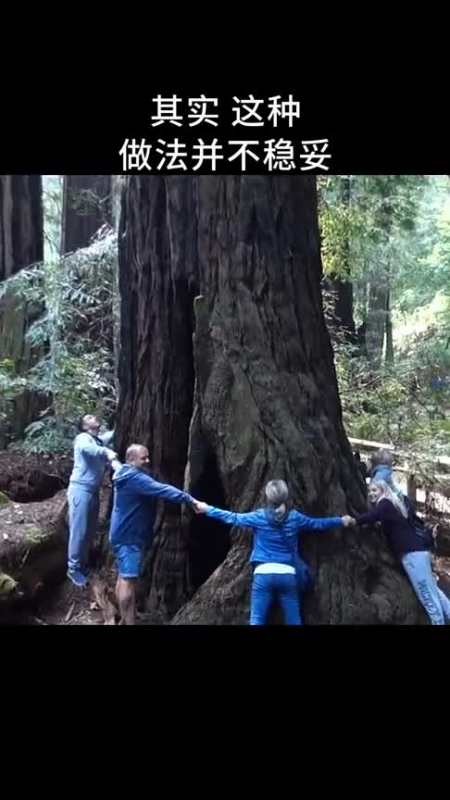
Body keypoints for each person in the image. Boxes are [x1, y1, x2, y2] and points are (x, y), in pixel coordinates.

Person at [192, 479, 354, 626]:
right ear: (286, 497)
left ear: (267, 498)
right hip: (287, 575)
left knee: (257, 620)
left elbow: (233, 518)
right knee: (294, 620)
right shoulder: (295, 518)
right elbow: (317, 524)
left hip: (263, 574)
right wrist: (341, 520)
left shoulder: (258, 517)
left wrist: (208, 509)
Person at [109, 444, 194, 625]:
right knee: (127, 581)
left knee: (122, 578)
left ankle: (127, 620)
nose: (148, 461)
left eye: (147, 457)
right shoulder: (134, 478)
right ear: (132, 460)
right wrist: (190, 499)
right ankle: (128, 621)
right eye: (143, 458)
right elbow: (162, 489)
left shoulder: (124, 472)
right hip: (129, 537)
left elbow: (115, 464)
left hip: (122, 534)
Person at [352, 478, 450, 625]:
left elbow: (371, 517)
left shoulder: (384, 504)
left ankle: (438, 622)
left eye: (375, 490)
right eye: (370, 491)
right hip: (418, 551)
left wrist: (354, 520)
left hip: (412, 554)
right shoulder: (392, 506)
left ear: (383, 491)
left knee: (426, 594)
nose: (371, 494)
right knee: (433, 590)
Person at [67, 414, 117, 587]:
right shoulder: (83, 439)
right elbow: (89, 450)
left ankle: (82, 564)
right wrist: (107, 452)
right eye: (88, 417)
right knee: (79, 530)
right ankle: (73, 568)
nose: (93, 416)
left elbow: (110, 435)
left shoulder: (97, 440)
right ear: (84, 426)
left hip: (93, 491)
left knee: (89, 530)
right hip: (80, 490)